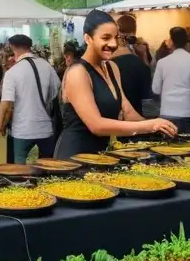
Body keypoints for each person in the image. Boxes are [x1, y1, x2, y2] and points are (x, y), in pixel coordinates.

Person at [55, 11, 178, 158]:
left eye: (116, 38)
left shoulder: (111, 67)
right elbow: (97, 125)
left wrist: (159, 127)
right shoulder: (77, 72)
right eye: (106, 38)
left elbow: (126, 111)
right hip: (74, 156)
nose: (113, 44)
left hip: (101, 155)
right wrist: (149, 126)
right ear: (88, 38)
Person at [0, 34, 61, 163]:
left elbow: (7, 105)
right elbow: (56, 92)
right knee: (47, 168)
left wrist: (0, 126)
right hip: (46, 128)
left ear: (12, 47)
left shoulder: (12, 72)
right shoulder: (47, 66)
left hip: (22, 130)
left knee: (20, 170)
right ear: (30, 47)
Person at [151, 27, 190, 134]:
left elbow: (155, 89)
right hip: (187, 111)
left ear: (172, 41)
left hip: (166, 111)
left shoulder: (162, 62)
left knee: (167, 147)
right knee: (188, 146)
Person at [113, 30, 153, 119]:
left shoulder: (107, 64)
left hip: (114, 119)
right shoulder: (140, 65)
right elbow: (147, 96)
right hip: (138, 116)